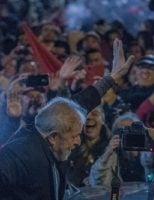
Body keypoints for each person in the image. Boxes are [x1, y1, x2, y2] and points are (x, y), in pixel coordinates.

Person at [0, 39, 135, 200]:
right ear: (53, 137)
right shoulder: (19, 156)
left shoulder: (50, 125)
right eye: (74, 136)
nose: (78, 141)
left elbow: (81, 102)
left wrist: (111, 78)